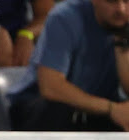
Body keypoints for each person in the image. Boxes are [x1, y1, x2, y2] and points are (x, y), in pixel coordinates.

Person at [8, 0, 129, 131]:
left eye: (127, 2)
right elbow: (51, 88)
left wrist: (121, 44)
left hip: (96, 108)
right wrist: (111, 108)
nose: (121, 9)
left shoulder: (122, 22)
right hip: (40, 106)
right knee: (59, 109)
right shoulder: (65, 17)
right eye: (112, 1)